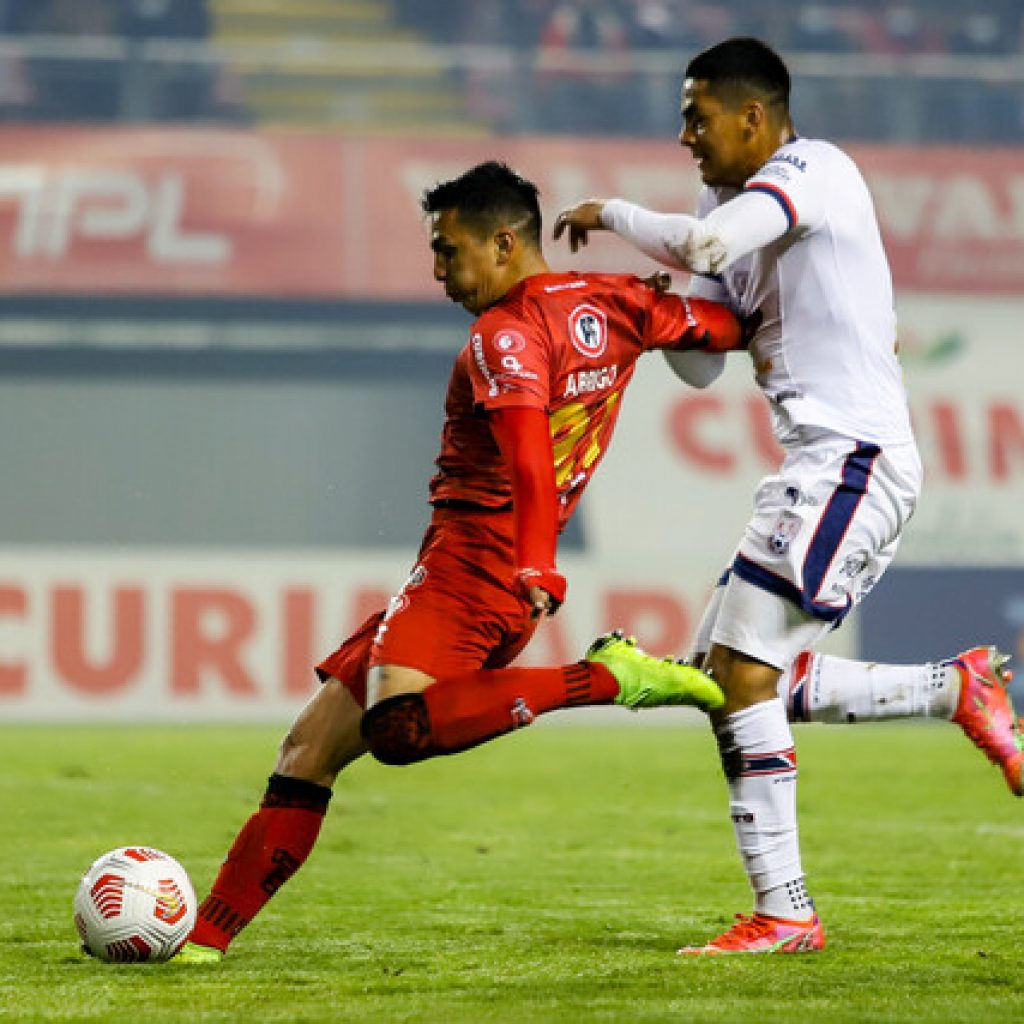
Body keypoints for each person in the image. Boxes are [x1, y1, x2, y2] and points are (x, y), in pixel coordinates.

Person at [174, 159, 745, 963]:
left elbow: (528, 459)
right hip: (467, 568)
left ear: (504, 242)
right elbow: (724, 328)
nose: (440, 272)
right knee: (308, 750)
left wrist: (537, 565)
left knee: (399, 727)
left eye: (449, 251)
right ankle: (203, 941)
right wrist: (831, 336)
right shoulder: (617, 301)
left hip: (476, 567)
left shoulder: (503, 336)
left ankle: (608, 678)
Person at [554, 36, 1022, 955]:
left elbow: (706, 247)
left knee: (741, 676)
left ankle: (786, 913)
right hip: (820, 462)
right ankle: (953, 687)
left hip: (854, 457)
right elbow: (699, 361)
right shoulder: (718, 204)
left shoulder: (816, 172)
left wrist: (607, 213)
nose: (685, 136)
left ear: (753, 117)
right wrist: (642, 312)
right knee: (720, 673)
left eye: (697, 117)